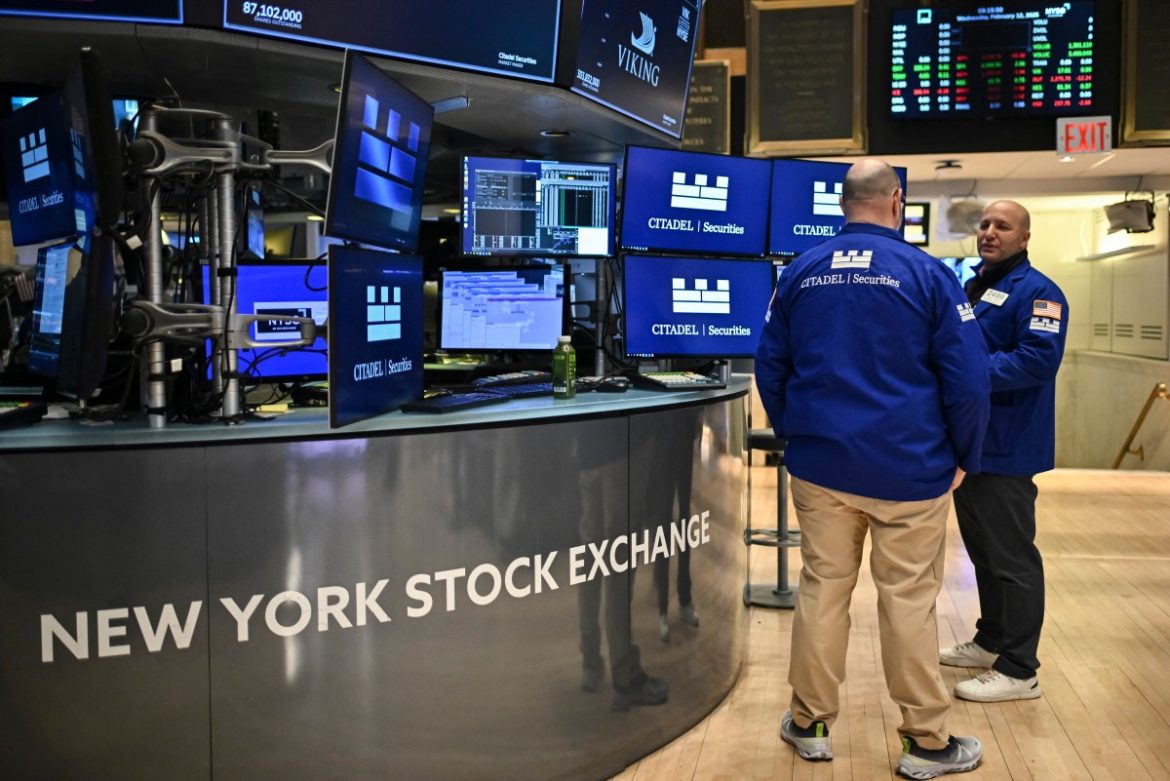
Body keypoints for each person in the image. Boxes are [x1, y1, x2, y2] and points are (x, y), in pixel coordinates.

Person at [755, 160, 990, 778]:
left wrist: (796, 435)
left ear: (843, 204)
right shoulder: (929, 274)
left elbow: (770, 367)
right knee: (908, 600)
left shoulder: (800, 272)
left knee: (823, 589)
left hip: (820, 467)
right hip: (909, 468)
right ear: (897, 200)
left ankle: (809, 724)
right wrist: (965, 455)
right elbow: (969, 380)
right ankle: (926, 743)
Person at [939, 200, 1068, 703]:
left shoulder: (1039, 293)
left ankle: (1019, 668)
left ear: (1025, 237)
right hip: (972, 444)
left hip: (1007, 444)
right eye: (985, 224)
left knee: (1012, 558)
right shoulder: (974, 286)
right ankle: (991, 639)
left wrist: (964, 375)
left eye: (1003, 226)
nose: (990, 232)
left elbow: (1036, 361)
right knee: (984, 553)